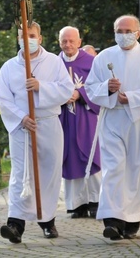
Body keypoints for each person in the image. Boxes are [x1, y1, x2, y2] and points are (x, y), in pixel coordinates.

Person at [85, 14, 140, 240]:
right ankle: (112, 219)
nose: (123, 35)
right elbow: (90, 87)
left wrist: (130, 97)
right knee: (113, 167)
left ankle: (131, 218)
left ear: (138, 32)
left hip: (139, 118)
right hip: (112, 117)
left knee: (135, 167)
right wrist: (108, 88)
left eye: (128, 31)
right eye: (119, 31)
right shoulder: (104, 57)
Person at [0, 21, 74, 243]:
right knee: (20, 173)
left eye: (31, 35)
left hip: (47, 123)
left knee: (49, 171)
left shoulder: (54, 63)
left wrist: (41, 87)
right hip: (21, 126)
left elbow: (67, 89)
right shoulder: (9, 67)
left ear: (40, 38)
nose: (26, 39)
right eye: (22, 36)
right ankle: (15, 224)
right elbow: (3, 97)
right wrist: (21, 117)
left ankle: (47, 220)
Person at [58, 26, 101, 219]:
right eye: (64, 41)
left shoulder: (92, 62)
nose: (68, 44)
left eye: (71, 41)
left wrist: (80, 93)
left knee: (90, 156)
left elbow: (99, 87)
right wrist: (60, 96)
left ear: (79, 42)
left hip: (86, 117)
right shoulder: (54, 63)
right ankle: (76, 204)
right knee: (69, 157)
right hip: (63, 118)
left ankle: (96, 201)